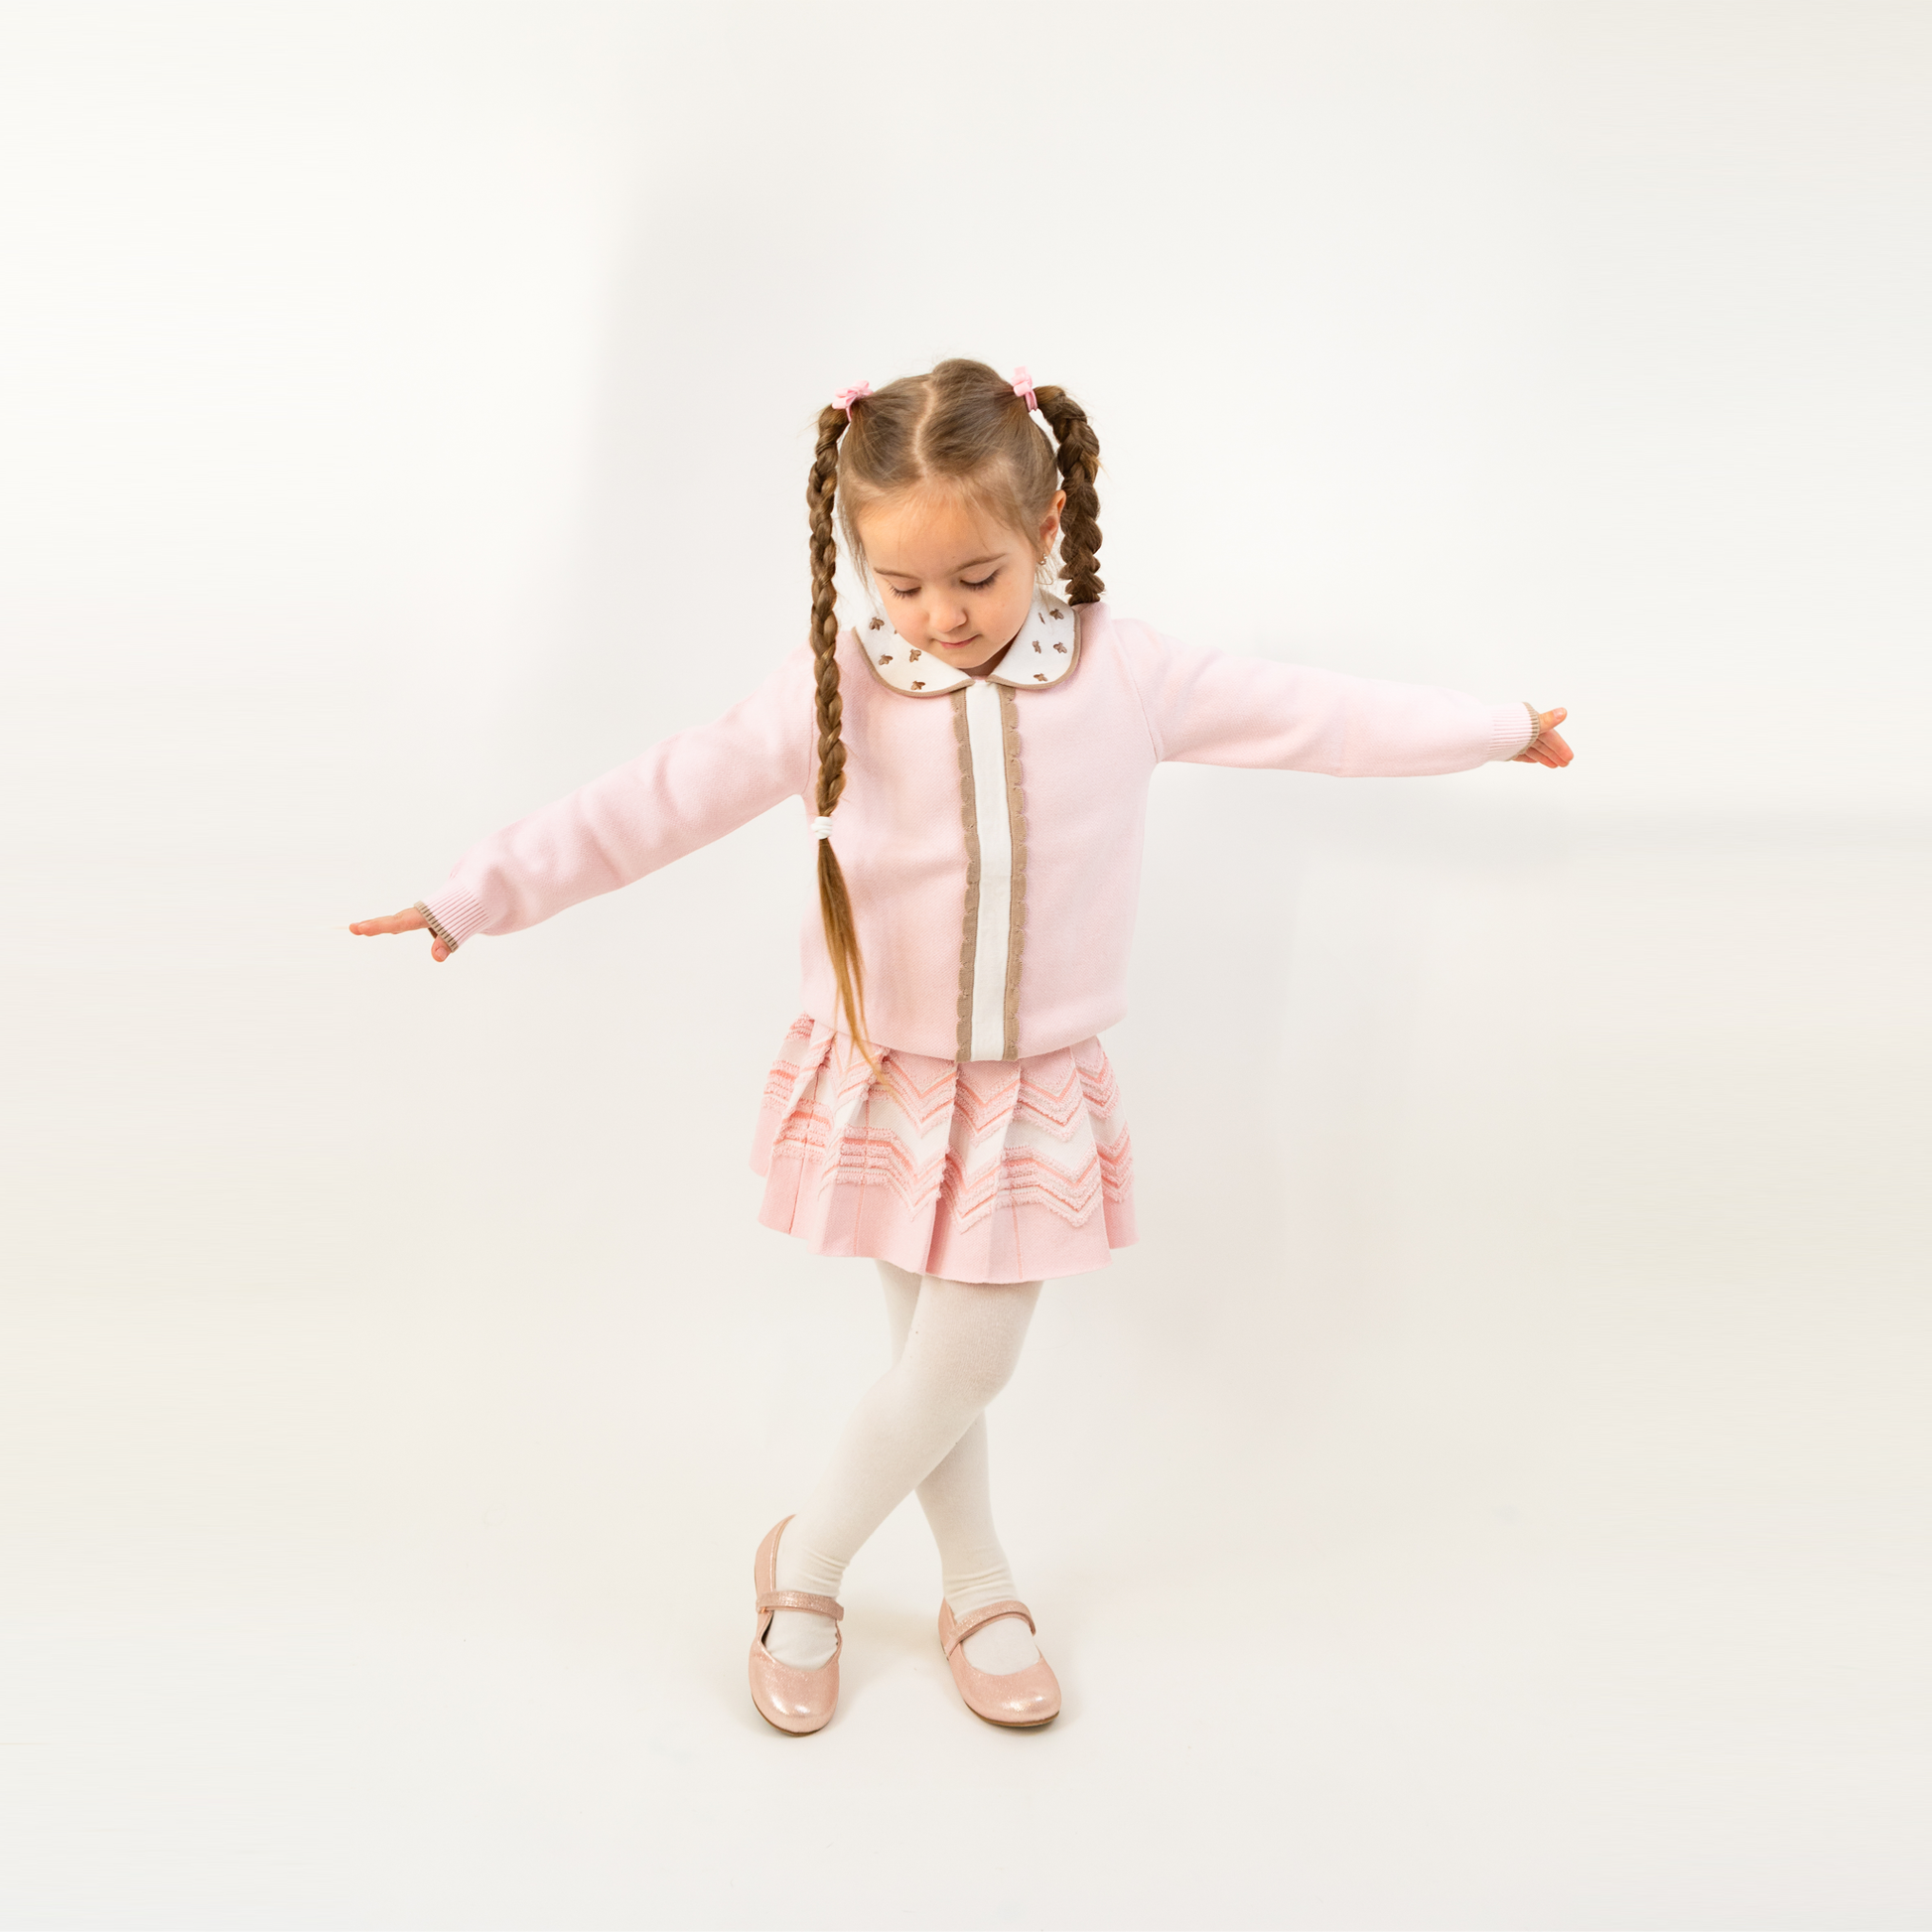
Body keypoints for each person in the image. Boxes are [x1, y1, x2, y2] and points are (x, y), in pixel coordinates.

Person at [351, 357, 1574, 1734]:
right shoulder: (837, 688)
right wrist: (475, 893)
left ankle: (803, 1562)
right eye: (904, 585)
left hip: (1028, 1093)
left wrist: (1493, 729)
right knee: (930, 1363)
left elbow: (1321, 716)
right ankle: (977, 1586)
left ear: (1045, 530)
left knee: (960, 1364)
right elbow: (657, 798)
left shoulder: (1126, 672)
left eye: (977, 578)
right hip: (883, 1077)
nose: (941, 617)